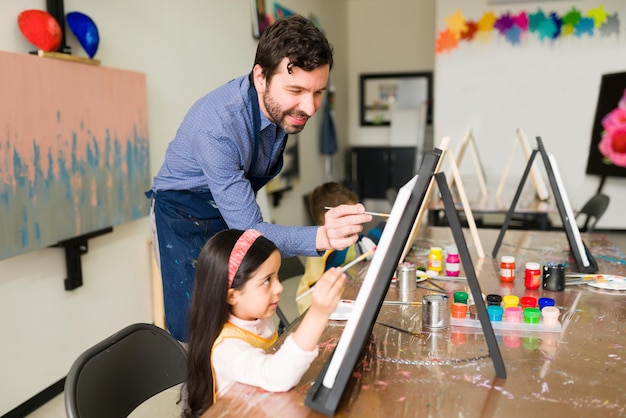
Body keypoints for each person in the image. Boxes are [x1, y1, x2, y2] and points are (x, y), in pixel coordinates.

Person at [146, 15, 371, 342]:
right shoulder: (217, 127)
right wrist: (323, 236)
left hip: (224, 211)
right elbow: (252, 230)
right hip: (182, 217)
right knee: (199, 333)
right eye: (295, 90)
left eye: (317, 92)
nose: (309, 107)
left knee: (245, 318)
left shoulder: (280, 109)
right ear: (260, 77)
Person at [183, 229, 346, 417]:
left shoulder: (256, 318)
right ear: (232, 296)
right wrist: (318, 313)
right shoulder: (227, 349)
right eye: (267, 280)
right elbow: (278, 376)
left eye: (277, 276)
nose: (279, 287)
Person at [296, 182, 384, 313]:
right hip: (314, 307)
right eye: (351, 217)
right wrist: (385, 225)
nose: (357, 220)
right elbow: (364, 249)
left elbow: (359, 241)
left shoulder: (343, 237)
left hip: (334, 297)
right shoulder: (329, 247)